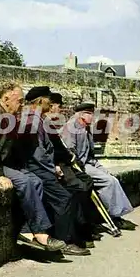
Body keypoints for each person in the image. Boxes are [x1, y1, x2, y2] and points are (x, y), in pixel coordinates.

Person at [0, 81, 66, 253]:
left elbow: (13, 148)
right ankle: (40, 232)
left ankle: (26, 231)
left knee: (36, 181)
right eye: (19, 100)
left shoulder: (9, 117)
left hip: (3, 165)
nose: (22, 105)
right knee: (25, 182)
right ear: (5, 98)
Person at [13, 86, 91, 256]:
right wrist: (52, 169)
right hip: (38, 169)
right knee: (64, 198)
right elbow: (37, 153)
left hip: (41, 167)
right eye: (48, 99)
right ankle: (66, 241)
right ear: (41, 101)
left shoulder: (37, 119)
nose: (51, 102)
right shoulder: (32, 120)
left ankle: (71, 235)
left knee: (70, 191)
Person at [60, 102, 136, 231]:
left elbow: (90, 153)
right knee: (109, 181)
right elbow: (70, 153)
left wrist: (100, 167)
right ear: (81, 115)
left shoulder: (85, 128)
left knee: (112, 177)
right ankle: (116, 218)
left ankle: (117, 214)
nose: (92, 117)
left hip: (89, 162)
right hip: (79, 166)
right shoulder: (70, 128)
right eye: (89, 114)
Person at [46, 93, 102, 245]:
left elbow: (60, 148)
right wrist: (55, 165)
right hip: (51, 166)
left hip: (63, 163)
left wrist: (68, 159)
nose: (60, 108)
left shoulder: (49, 123)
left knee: (87, 181)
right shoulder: (42, 123)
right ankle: (77, 233)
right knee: (77, 187)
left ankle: (86, 225)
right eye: (58, 105)